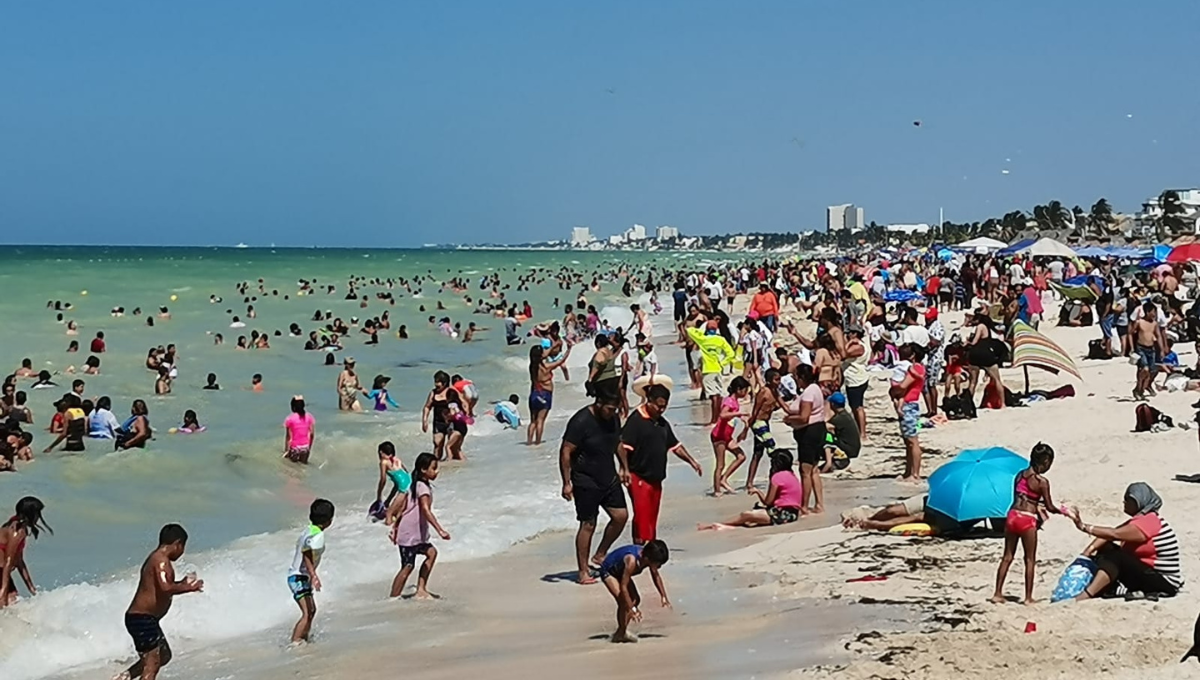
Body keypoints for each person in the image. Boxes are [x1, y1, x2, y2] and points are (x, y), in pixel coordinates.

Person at [618, 383, 702, 545]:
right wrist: (624, 469)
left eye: (664, 407)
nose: (661, 410)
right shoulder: (635, 421)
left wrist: (692, 461)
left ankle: (649, 549)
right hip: (638, 476)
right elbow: (623, 447)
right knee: (641, 515)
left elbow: (675, 446)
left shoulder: (662, 423)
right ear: (649, 401)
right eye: (658, 406)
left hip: (656, 478)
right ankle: (640, 550)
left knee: (651, 517)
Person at [116, 524, 203, 680]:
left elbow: (164, 586)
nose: (182, 552)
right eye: (183, 547)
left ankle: (125, 676)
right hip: (142, 619)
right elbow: (165, 588)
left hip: (145, 619)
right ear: (178, 544)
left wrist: (182, 583)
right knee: (152, 664)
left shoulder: (156, 559)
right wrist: (189, 587)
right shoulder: (161, 561)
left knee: (163, 655)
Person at [1072, 482, 1183, 600]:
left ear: (1139, 502)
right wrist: (1088, 552)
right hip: (1147, 572)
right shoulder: (1141, 520)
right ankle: (1107, 586)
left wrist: (1084, 527)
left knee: (1116, 557)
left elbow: (1114, 534)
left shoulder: (1150, 521)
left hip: (1164, 581)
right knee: (1106, 548)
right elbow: (1110, 534)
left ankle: (1086, 595)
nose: (1124, 502)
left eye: (1128, 499)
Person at [560, 391, 627, 584]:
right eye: (609, 408)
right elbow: (566, 450)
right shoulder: (581, 421)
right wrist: (566, 482)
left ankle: (600, 554)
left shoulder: (613, 418)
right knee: (588, 524)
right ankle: (583, 572)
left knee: (621, 516)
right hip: (585, 480)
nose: (612, 412)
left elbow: (618, 444)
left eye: (615, 409)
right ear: (599, 403)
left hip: (609, 477)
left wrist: (624, 467)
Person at [990, 443, 1067, 605]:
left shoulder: (1019, 476)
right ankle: (1028, 597)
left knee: (1007, 557)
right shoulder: (1042, 482)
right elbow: (1050, 506)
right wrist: (1063, 511)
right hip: (1027, 519)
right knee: (1029, 560)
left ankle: (997, 593)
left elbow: (1020, 497)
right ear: (1045, 461)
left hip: (1012, 515)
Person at [386, 453, 450, 599]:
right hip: (409, 534)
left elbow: (402, 508)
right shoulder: (422, 488)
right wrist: (440, 530)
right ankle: (393, 597)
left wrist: (394, 528)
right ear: (423, 469)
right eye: (433, 468)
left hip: (415, 534)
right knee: (407, 567)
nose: (437, 471)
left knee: (431, 553)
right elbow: (425, 510)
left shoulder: (415, 485)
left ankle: (421, 588)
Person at [698, 450, 803, 530]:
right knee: (752, 516)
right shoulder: (792, 476)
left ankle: (719, 525)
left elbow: (768, 502)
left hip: (783, 514)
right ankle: (728, 525)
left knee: (746, 514)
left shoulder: (777, 477)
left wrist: (757, 491)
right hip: (793, 513)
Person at [600, 540, 672, 643]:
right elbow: (623, 587)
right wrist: (632, 609)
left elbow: (656, 576)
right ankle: (621, 632)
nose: (659, 567)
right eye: (658, 564)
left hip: (622, 572)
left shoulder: (648, 556)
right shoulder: (632, 561)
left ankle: (621, 632)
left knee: (635, 600)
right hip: (609, 571)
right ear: (647, 559)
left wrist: (663, 596)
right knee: (624, 602)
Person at [288, 499, 335, 644]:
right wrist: (314, 575)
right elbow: (307, 553)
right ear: (329, 520)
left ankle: (304, 639)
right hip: (298, 578)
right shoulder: (317, 535)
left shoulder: (310, 530)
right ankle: (295, 643)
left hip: (299, 577)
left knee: (312, 611)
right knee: (307, 613)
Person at [784, 365, 825, 515]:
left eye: (796, 377)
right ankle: (819, 504)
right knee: (814, 470)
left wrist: (789, 419)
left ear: (801, 378)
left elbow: (804, 417)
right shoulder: (816, 388)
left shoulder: (808, 393)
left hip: (809, 432)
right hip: (818, 429)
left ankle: (804, 506)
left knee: (805, 471)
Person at [0, 497, 52, 607]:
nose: (38, 517)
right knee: (10, 600)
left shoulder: (19, 527)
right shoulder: (17, 532)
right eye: (37, 513)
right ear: (30, 514)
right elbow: (8, 563)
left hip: (2, 570)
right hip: (1, 570)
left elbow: (19, 561)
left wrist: (31, 588)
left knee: (12, 601)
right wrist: (3, 591)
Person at [686, 318, 736, 425]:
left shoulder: (703, 339)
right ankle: (718, 417)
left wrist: (702, 327)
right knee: (718, 394)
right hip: (718, 369)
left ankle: (713, 420)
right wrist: (723, 363)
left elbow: (690, 330)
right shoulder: (720, 340)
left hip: (708, 370)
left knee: (713, 396)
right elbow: (731, 354)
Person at [890, 344, 926, 481]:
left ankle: (915, 473)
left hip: (910, 405)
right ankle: (908, 472)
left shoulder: (916, 367)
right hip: (910, 405)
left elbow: (902, 386)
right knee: (908, 440)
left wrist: (893, 390)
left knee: (913, 440)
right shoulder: (915, 367)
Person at [709, 376, 750, 496]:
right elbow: (722, 415)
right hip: (719, 436)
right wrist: (739, 413)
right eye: (745, 390)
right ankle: (717, 491)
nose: (746, 393)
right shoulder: (729, 401)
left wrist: (743, 420)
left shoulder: (735, 402)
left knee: (741, 456)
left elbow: (732, 416)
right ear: (738, 389)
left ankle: (724, 479)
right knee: (720, 464)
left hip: (727, 436)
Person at [527, 343, 571, 446]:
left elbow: (544, 355)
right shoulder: (546, 367)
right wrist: (568, 350)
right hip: (544, 395)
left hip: (534, 394)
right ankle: (538, 442)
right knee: (541, 420)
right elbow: (561, 361)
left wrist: (552, 347)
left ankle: (529, 442)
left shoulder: (532, 367)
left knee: (533, 421)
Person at [422, 371, 467, 461]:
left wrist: (462, 415)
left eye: (438, 382)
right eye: (435, 381)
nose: (435, 384)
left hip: (452, 422)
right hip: (438, 422)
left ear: (445, 383)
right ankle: (436, 464)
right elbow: (427, 407)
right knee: (437, 444)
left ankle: (455, 466)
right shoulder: (433, 393)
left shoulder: (452, 392)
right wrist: (424, 420)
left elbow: (463, 403)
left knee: (452, 448)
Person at [283, 396, 316, 463]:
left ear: (293, 407)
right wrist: (309, 448)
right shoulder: (309, 417)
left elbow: (288, 437)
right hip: (305, 448)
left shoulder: (290, 419)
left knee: (292, 468)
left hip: (294, 448)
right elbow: (312, 434)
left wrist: (286, 450)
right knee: (303, 467)